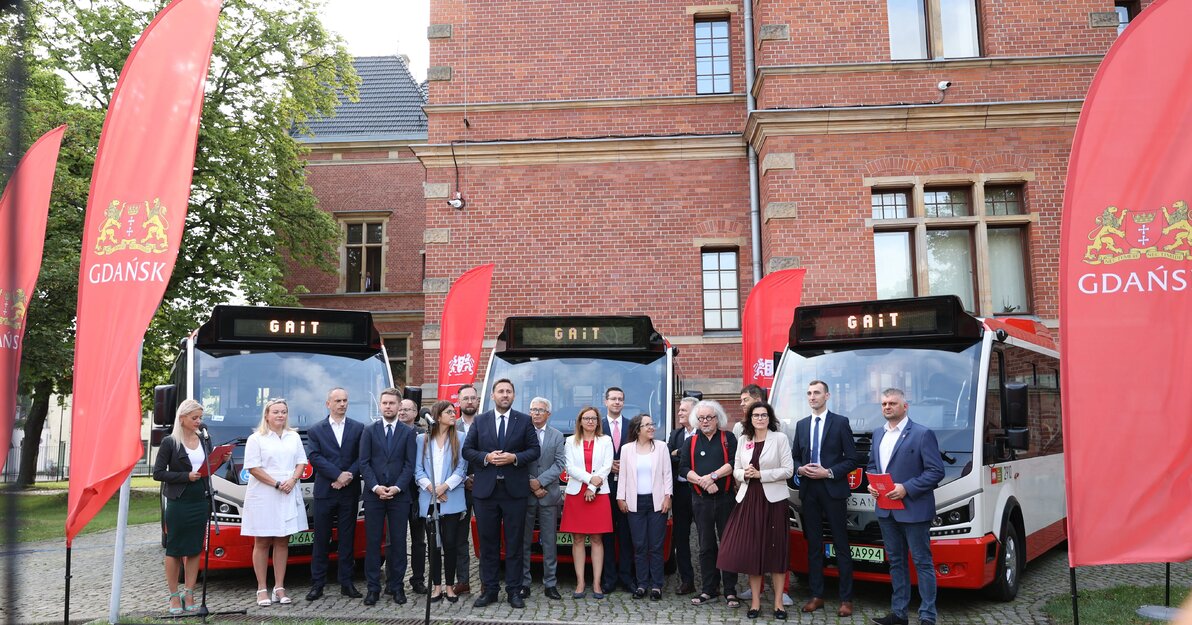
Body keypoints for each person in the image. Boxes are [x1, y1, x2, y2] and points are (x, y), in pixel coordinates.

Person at [867, 388, 945, 625]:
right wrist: (872, 484)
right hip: (886, 509)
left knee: (922, 562)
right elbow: (872, 465)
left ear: (905, 406)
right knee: (896, 562)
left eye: (892, 403)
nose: (887, 407)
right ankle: (899, 614)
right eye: (883, 404)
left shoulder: (922, 434)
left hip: (914, 509)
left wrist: (907, 488)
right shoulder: (878, 435)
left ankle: (927, 616)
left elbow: (936, 471)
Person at [461, 378, 541, 608]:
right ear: (493, 396)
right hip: (486, 492)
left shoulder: (524, 421)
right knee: (488, 544)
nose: (505, 395)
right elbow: (467, 450)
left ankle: (514, 591)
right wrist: (486, 457)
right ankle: (490, 590)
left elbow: (534, 450)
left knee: (514, 543)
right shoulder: (480, 420)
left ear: (513, 396)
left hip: (514, 491)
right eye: (500, 391)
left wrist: (513, 458)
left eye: (508, 391)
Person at [718, 401, 795, 619]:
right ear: (750, 419)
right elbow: (736, 469)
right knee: (753, 551)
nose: (760, 418)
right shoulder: (744, 440)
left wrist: (762, 475)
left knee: (776, 551)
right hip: (749, 498)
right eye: (756, 415)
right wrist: (746, 474)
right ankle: (755, 603)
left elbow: (788, 470)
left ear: (769, 418)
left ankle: (779, 603)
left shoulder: (779, 439)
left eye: (763, 415)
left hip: (774, 501)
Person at [152, 399, 228, 614]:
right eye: (194, 418)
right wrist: (185, 476)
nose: (199, 422)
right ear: (182, 418)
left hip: (200, 499)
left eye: (200, 418)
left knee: (195, 548)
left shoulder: (204, 439)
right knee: (175, 549)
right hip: (179, 500)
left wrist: (221, 459)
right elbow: (158, 473)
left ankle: (190, 592)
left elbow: (207, 469)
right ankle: (174, 595)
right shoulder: (170, 442)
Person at [791, 380, 857, 617]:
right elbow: (795, 457)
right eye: (809, 393)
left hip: (833, 490)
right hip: (809, 491)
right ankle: (816, 595)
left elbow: (852, 459)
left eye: (816, 392)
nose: (812, 396)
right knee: (814, 546)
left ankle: (846, 599)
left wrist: (828, 472)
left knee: (841, 544)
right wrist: (800, 469)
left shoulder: (840, 422)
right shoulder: (801, 425)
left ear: (827, 395)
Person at [242, 398, 308, 607]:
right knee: (262, 541)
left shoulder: (293, 437)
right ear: (267, 415)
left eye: (284, 412)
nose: (280, 415)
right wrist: (277, 483)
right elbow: (253, 468)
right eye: (276, 412)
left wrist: (292, 480)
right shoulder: (256, 438)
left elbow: (301, 461)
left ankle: (279, 587)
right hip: (265, 493)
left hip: (288, 491)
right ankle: (262, 588)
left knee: (282, 540)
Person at [305, 388, 365, 601]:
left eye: (345, 400)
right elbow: (314, 456)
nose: (342, 404)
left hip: (349, 491)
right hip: (325, 491)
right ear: (328, 403)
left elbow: (362, 456)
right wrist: (337, 475)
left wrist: (348, 476)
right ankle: (317, 584)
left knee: (347, 539)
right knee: (321, 539)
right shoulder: (316, 430)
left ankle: (346, 583)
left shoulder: (358, 428)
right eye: (337, 400)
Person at [678, 399, 739, 608]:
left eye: (709, 417)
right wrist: (703, 483)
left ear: (717, 418)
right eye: (701, 418)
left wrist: (712, 477)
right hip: (701, 501)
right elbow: (683, 468)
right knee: (705, 546)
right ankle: (709, 589)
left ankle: (730, 590)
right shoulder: (691, 441)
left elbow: (733, 463)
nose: (705, 421)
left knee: (728, 543)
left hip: (725, 500)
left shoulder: (728, 438)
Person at [359, 388, 417, 606]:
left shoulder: (408, 432)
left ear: (399, 406)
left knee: (399, 544)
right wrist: (375, 487)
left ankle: (396, 586)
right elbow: (363, 462)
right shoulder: (369, 430)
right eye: (384, 403)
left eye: (392, 403)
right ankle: (373, 588)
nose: (388, 407)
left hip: (399, 496)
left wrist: (397, 488)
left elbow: (409, 464)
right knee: (373, 542)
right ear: (380, 405)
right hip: (374, 496)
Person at [415, 400, 469, 603]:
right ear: (437, 417)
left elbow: (461, 470)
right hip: (430, 498)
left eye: (454, 411)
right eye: (449, 412)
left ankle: (449, 586)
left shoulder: (461, 438)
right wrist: (433, 490)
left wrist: (443, 488)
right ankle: (436, 586)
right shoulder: (422, 440)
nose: (454, 415)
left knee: (450, 543)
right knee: (433, 544)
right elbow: (417, 470)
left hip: (451, 497)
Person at [615, 413, 672, 600]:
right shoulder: (626, 449)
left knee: (655, 546)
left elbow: (667, 474)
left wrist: (667, 496)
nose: (651, 428)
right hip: (634, 502)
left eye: (652, 424)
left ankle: (656, 586)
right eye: (647, 425)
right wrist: (620, 498)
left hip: (656, 502)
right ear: (637, 429)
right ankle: (641, 585)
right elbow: (622, 476)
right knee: (639, 545)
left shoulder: (661, 447)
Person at [559, 406, 614, 598]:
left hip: (599, 492)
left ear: (598, 422)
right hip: (576, 493)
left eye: (594, 418)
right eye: (586, 418)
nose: (590, 421)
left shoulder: (605, 440)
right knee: (578, 539)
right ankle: (581, 582)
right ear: (580, 421)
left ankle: (597, 583)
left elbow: (607, 465)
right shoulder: (570, 441)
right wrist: (590, 480)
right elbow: (569, 467)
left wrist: (593, 487)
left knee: (598, 539)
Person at [521, 397, 567, 600]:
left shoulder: (557, 435)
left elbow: (559, 464)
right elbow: (518, 461)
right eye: (533, 410)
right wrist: (531, 483)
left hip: (548, 495)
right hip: (525, 495)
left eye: (540, 410)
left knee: (549, 542)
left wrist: (539, 482)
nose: (536, 413)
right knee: (523, 542)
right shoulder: (521, 433)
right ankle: (524, 583)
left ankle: (550, 584)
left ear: (549, 413)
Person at [600, 386, 635, 593]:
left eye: (620, 399)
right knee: (606, 534)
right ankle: (609, 579)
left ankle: (626, 577)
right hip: (604, 487)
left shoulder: (632, 426)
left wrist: (625, 464)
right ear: (605, 402)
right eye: (613, 399)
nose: (616, 402)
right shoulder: (597, 426)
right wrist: (608, 465)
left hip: (626, 487)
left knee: (626, 533)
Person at [666, 396, 699, 595]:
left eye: (683, 410)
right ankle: (687, 580)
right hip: (680, 493)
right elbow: (668, 458)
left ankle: (713, 581)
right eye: (679, 410)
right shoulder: (675, 434)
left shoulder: (704, 433)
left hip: (701, 492)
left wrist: (679, 455)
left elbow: (697, 460)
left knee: (706, 538)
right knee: (681, 537)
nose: (679, 413)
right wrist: (680, 455)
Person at [398, 398, 429, 596]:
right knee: (396, 540)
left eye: (407, 409)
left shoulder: (423, 435)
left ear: (416, 413)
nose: (402, 412)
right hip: (398, 494)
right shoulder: (391, 432)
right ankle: (395, 580)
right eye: (400, 409)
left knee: (419, 541)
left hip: (418, 494)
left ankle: (418, 579)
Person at [453, 383, 480, 595]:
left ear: (478, 401)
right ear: (459, 402)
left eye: (473, 398)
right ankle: (463, 581)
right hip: (458, 490)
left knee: (487, 536)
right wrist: (463, 479)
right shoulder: (451, 427)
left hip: (484, 488)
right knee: (459, 538)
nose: (469, 401)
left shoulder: (488, 424)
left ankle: (488, 583)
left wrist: (475, 477)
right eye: (465, 398)